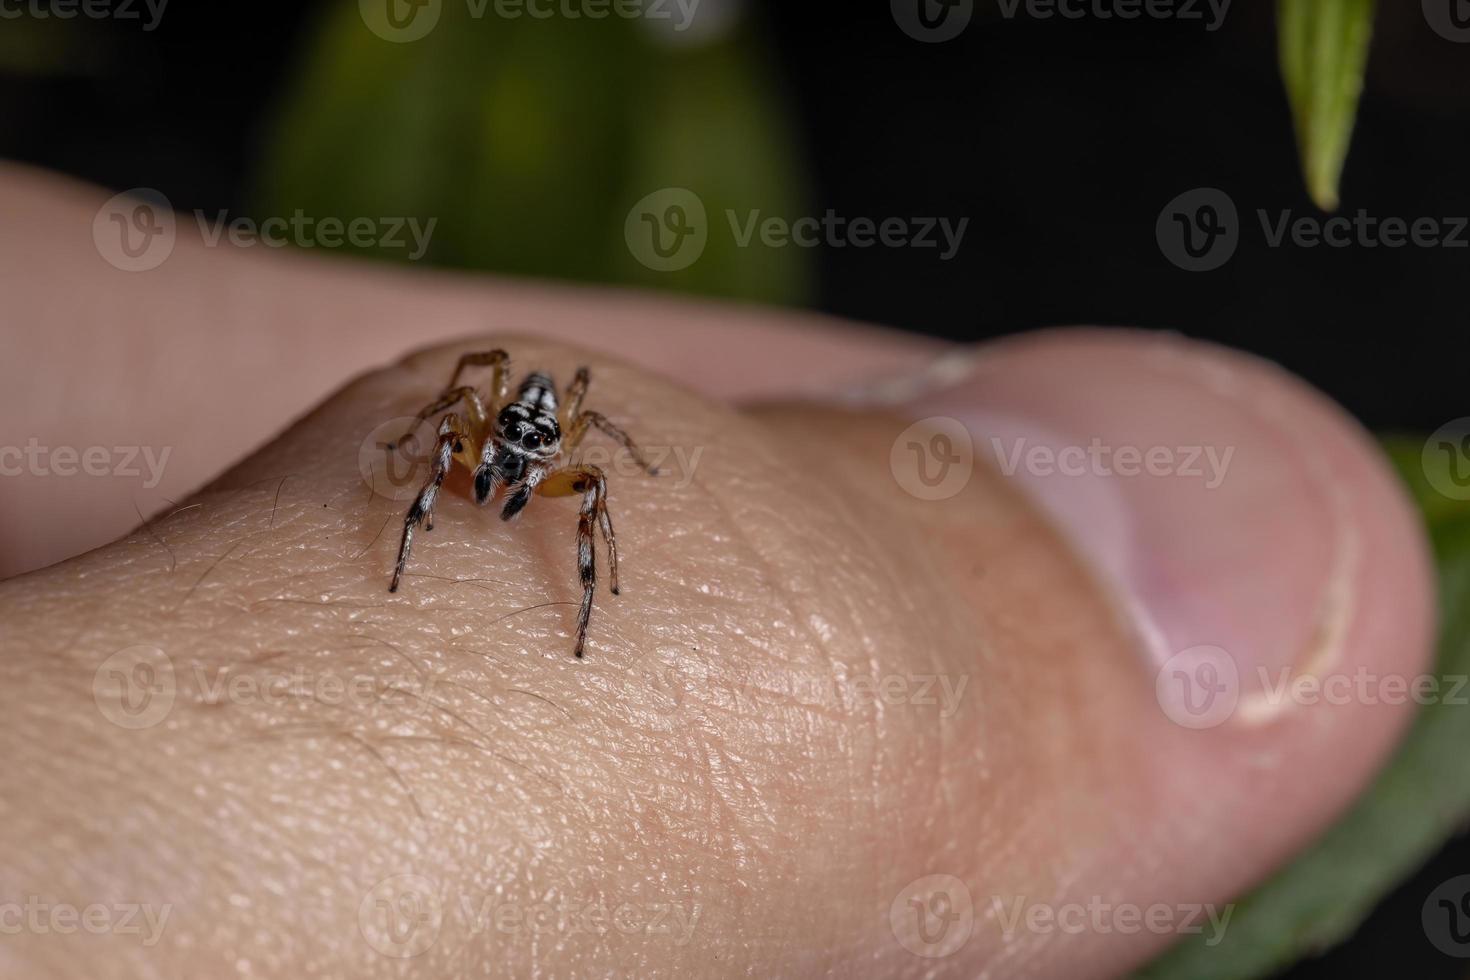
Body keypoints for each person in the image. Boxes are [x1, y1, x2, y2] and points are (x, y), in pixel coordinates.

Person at [0, 164, 1433, 978]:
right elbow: (452, 414)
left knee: (583, 469)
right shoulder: (476, 428)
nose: (508, 475)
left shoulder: (565, 458)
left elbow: (595, 449)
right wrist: (412, 502)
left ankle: (579, 604)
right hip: (491, 419)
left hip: (562, 428)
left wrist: (588, 579)